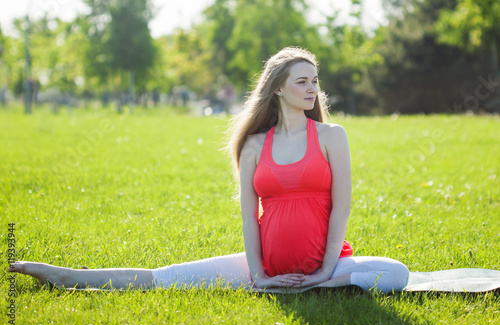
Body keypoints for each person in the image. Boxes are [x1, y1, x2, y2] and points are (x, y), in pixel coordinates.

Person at [8, 47, 409, 293]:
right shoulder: (254, 145)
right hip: (265, 265)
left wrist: (323, 271)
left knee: (396, 273)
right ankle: (69, 277)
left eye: (314, 81)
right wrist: (259, 274)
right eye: (301, 81)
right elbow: (249, 218)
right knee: (164, 277)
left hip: (329, 264)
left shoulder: (331, 136)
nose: (311, 89)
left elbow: (341, 208)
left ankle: (314, 287)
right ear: (278, 89)